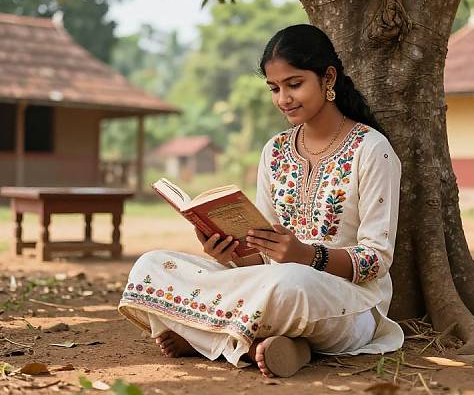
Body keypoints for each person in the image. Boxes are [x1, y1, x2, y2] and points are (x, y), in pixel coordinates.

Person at [118, 24, 404, 378]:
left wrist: (308, 256)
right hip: (270, 286)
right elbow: (262, 253)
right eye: (274, 88)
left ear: (328, 78)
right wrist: (228, 252)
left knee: (291, 284)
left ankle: (211, 339)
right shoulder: (276, 151)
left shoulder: (372, 149)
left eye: (294, 84)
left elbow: (377, 259)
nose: (283, 98)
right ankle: (271, 347)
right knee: (152, 265)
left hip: (346, 302)